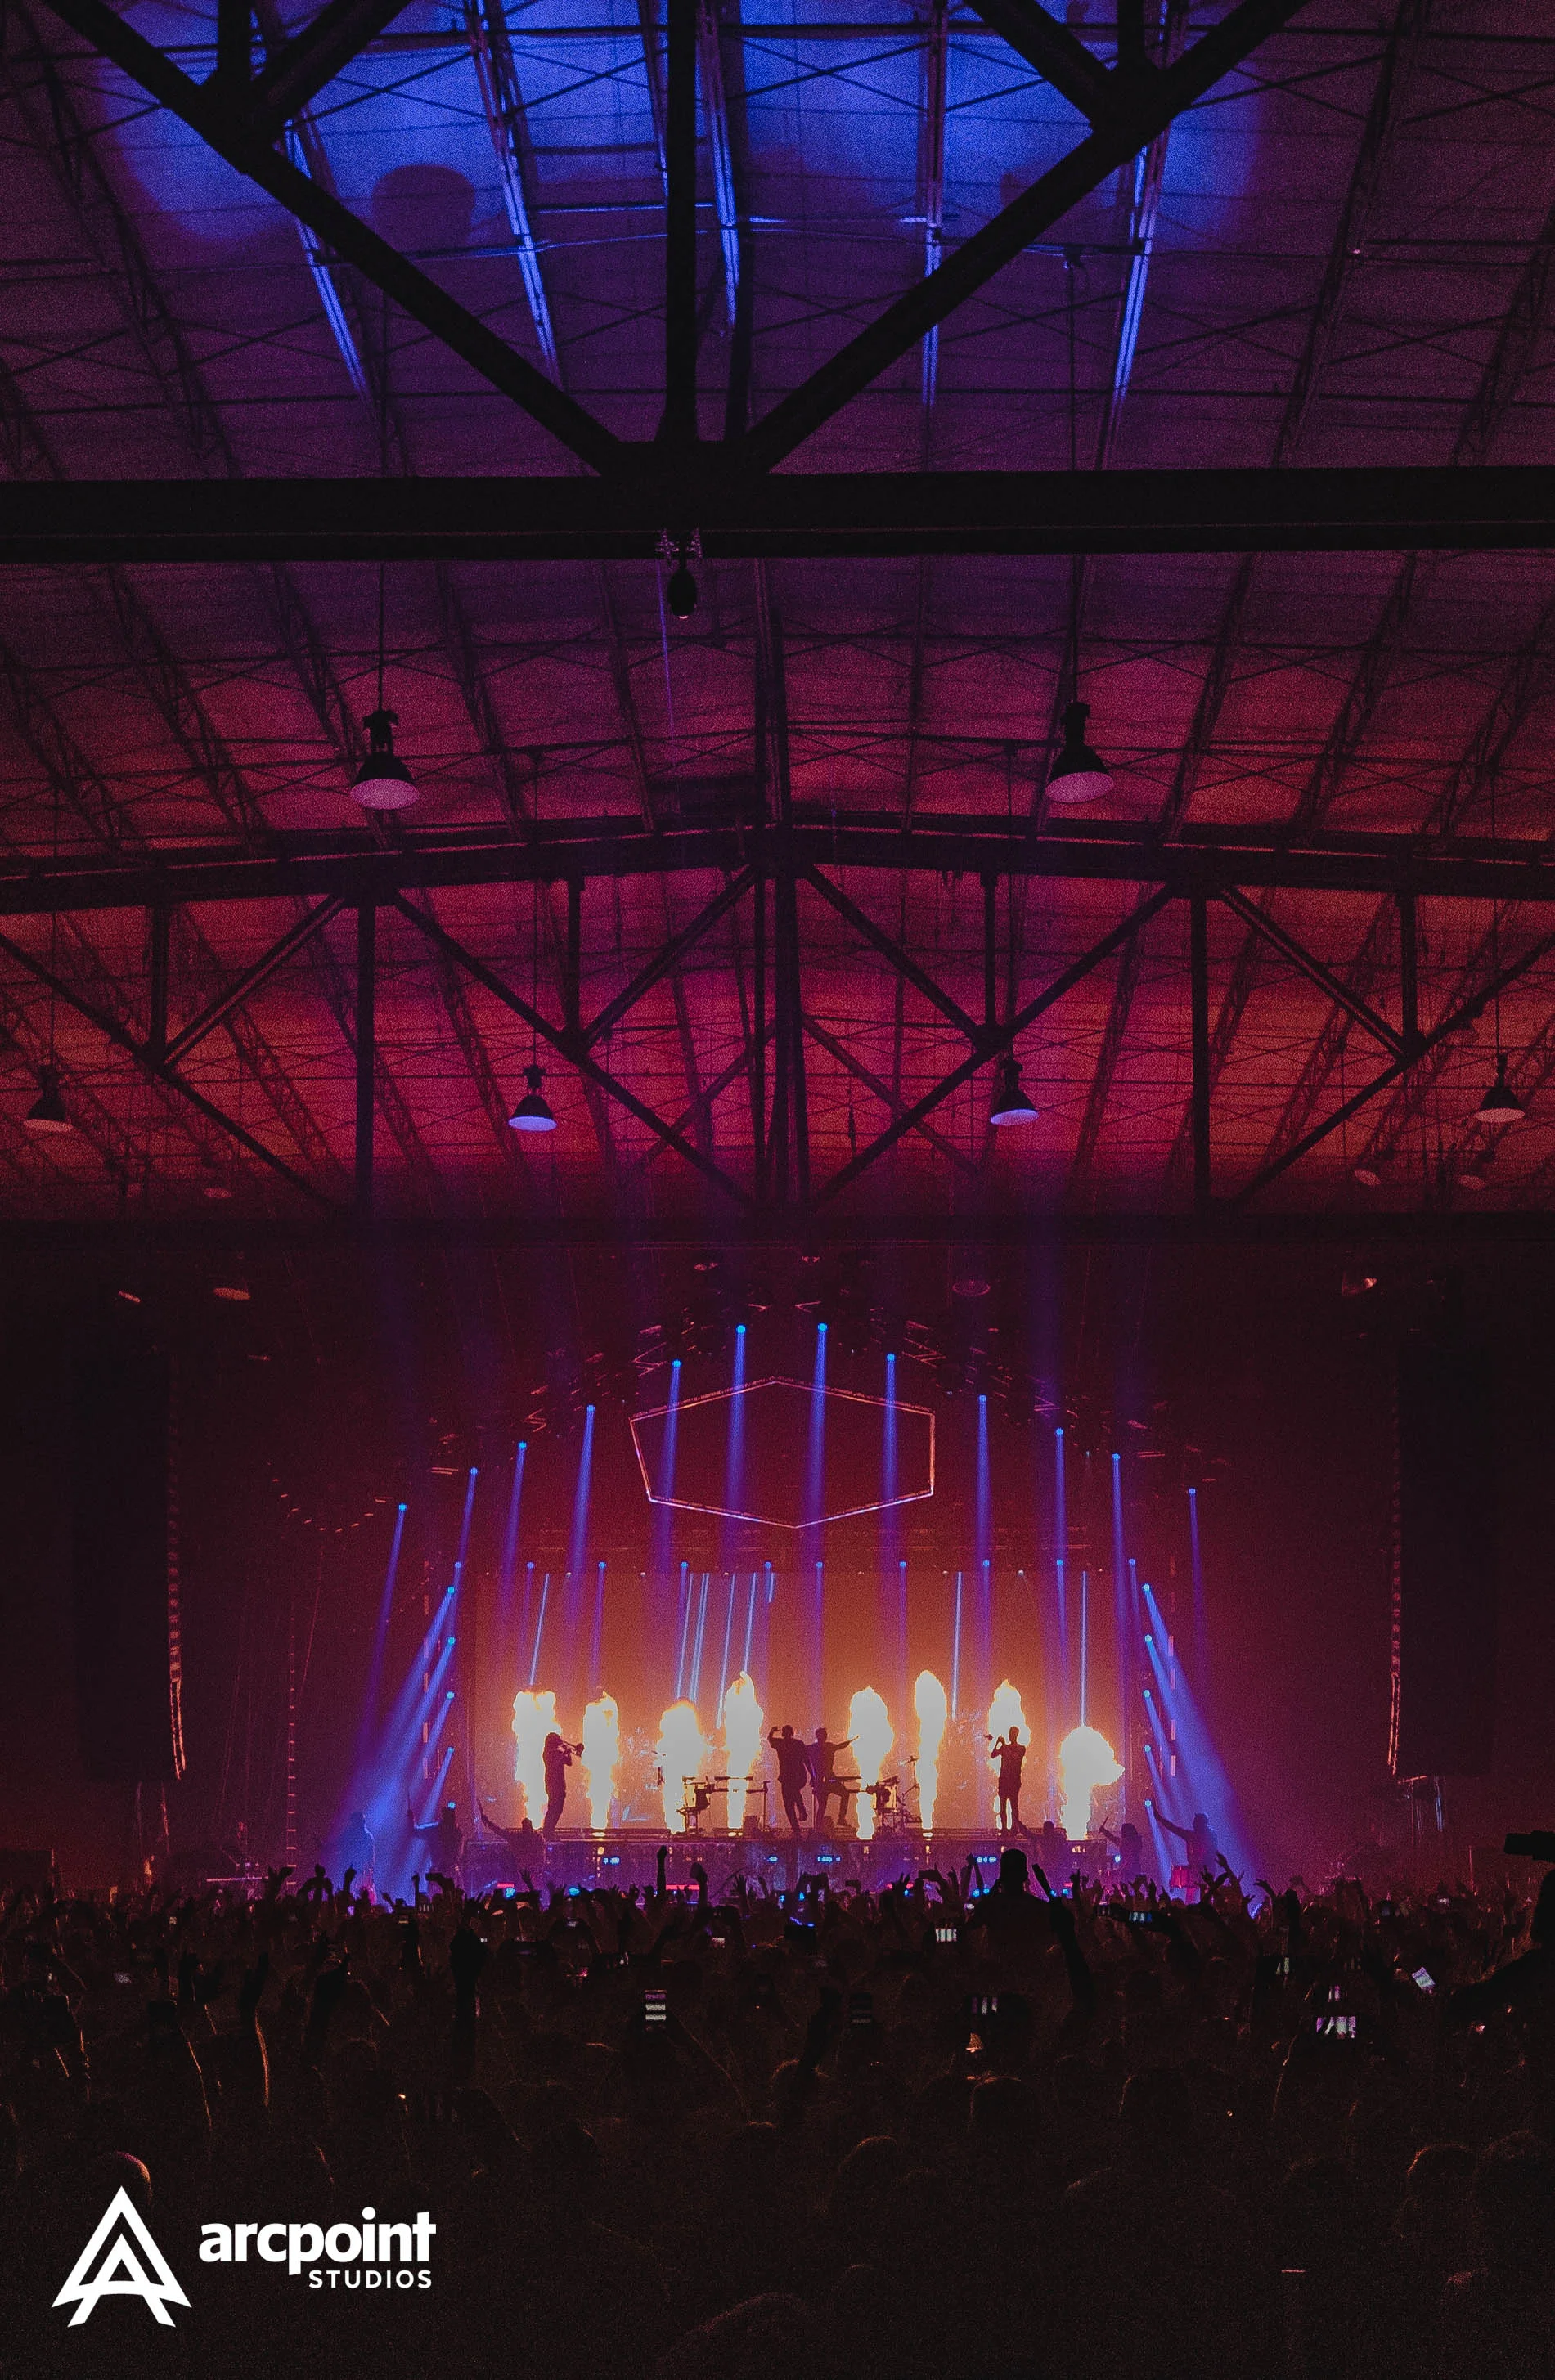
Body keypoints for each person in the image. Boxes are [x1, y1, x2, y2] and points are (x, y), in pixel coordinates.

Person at [1157, 1808, 1219, 1890]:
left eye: (1196, 1822)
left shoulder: (1209, 1836)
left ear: (1202, 1824)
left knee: (1205, 1891)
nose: (1193, 1824)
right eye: (1194, 1822)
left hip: (1206, 1870)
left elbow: (1211, 1853)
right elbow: (1174, 1828)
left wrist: (1199, 1864)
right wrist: (1160, 1819)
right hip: (1195, 1870)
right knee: (1194, 1893)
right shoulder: (1192, 1836)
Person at [808, 1727, 854, 1831]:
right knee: (844, 1795)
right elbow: (840, 1746)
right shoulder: (828, 1747)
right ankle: (840, 1819)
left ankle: (819, 1829)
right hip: (826, 1780)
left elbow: (840, 1746)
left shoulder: (813, 1748)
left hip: (821, 1781)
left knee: (822, 1806)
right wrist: (850, 1741)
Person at [768, 1724, 810, 1837]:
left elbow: (770, 1739)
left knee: (789, 1804)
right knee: (790, 1803)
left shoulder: (781, 1744)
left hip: (792, 1777)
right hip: (795, 1776)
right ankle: (798, 1826)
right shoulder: (798, 1744)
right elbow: (807, 1760)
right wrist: (812, 1775)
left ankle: (800, 1819)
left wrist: (772, 1731)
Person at [408, 1796, 463, 1880]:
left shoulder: (434, 1830)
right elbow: (460, 1854)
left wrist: (411, 1819)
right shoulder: (458, 1832)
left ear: (442, 1816)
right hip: (452, 1873)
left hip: (440, 1874)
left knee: (436, 1893)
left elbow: (415, 1831)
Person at [990, 1725, 1027, 1835]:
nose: (1010, 1736)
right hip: (1004, 1781)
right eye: (1010, 1734)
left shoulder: (1021, 1748)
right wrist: (998, 1744)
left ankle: (1014, 1828)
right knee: (1003, 1806)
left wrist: (1004, 1746)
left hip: (1014, 1781)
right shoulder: (1005, 1748)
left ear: (1016, 1735)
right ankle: (1005, 1828)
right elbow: (993, 1755)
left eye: (1012, 1734)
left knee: (1014, 1806)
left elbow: (1015, 1758)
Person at [542, 1732, 581, 1839]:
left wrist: (567, 1753)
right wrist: (564, 1753)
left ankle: (551, 1831)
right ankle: (547, 1832)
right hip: (552, 1784)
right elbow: (553, 1765)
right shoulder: (547, 1753)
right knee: (553, 1808)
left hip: (560, 1784)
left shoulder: (559, 1752)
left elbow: (569, 1763)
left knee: (559, 1809)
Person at [337, 1808, 375, 1886]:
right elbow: (338, 1842)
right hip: (348, 1867)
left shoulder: (367, 1836)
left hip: (361, 1870)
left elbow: (371, 1855)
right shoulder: (349, 1833)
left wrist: (370, 1870)